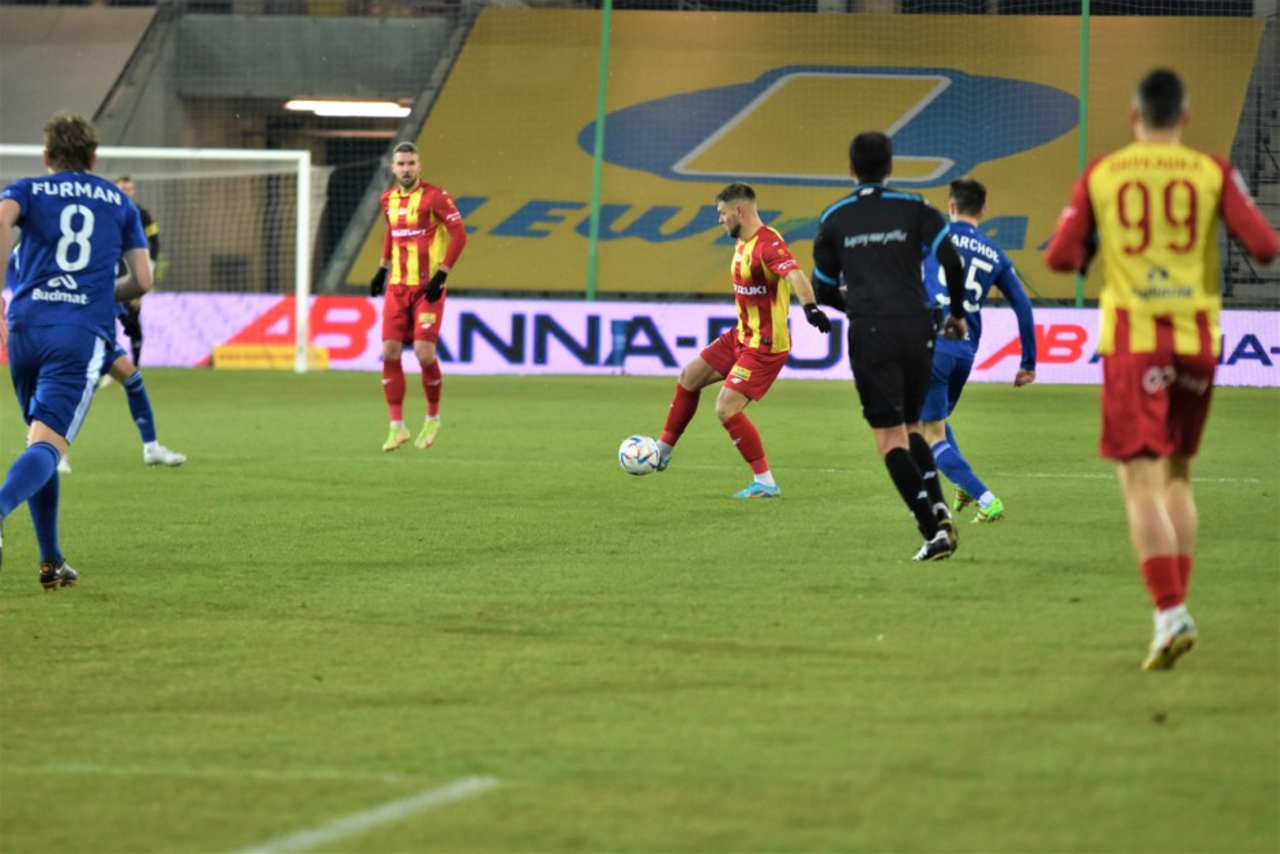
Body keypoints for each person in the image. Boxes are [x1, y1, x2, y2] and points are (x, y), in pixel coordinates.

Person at [1046, 69, 1278, 670]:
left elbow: (1061, 256)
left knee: (1139, 482)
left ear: (1134, 115)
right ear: (1185, 117)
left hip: (1136, 343)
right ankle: (1172, 615)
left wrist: (1098, 241)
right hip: (1197, 341)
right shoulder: (1210, 170)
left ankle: (1170, 612)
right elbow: (1265, 247)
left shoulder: (1104, 172)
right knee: (1178, 475)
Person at [0, 112, 154, 588]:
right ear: (94, 158)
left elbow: (3, 218)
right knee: (49, 445)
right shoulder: (119, 202)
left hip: (26, 328)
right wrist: (99, 293)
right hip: (79, 333)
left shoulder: (28, 189)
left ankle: (51, 561)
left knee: (40, 441)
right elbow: (142, 280)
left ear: (47, 156)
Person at [812, 131, 968, 562]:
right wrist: (957, 313)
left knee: (888, 437)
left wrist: (859, 306)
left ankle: (932, 531)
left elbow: (823, 290)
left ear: (850, 169)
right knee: (913, 426)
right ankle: (940, 509)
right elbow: (951, 261)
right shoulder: (916, 207)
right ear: (891, 167)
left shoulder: (835, 217)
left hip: (872, 332)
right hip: (919, 327)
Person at [654, 182, 832, 498]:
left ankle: (765, 482)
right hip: (741, 336)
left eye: (723, 213)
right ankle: (661, 452)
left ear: (739, 211)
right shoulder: (742, 242)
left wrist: (810, 308)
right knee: (689, 377)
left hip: (765, 345)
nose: (720, 220)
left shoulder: (768, 244)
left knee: (726, 407)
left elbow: (795, 274)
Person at [9, 249, 188, 474]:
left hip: (97, 331)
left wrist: (121, 312)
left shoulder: (97, 242)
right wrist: (22, 292)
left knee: (133, 379)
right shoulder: (47, 240)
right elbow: (12, 262)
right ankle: (50, 449)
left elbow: (103, 285)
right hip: (70, 331)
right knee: (62, 395)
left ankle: (151, 447)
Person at [921, 179, 1037, 523]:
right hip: (964, 351)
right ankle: (964, 485)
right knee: (937, 422)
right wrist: (1028, 362)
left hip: (932, 344)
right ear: (984, 210)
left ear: (950, 206)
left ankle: (986, 498)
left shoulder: (933, 237)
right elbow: (1023, 306)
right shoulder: (995, 253)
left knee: (927, 434)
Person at [369, 141, 468, 452]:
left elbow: (460, 234)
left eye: (411, 163)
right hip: (397, 287)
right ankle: (396, 426)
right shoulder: (387, 199)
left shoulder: (436, 196)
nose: (406, 169)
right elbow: (391, 231)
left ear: (419, 166)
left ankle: (433, 417)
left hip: (427, 288)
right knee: (390, 351)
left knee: (424, 353)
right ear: (393, 168)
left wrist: (442, 274)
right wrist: (382, 269)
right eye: (401, 164)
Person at [111, 175, 157, 367]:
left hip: (131, 274)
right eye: (122, 189)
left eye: (128, 189)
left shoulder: (142, 215)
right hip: (108, 273)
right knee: (105, 320)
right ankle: (109, 364)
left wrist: (147, 272)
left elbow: (155, 243)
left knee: (132, 320)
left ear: (133, 191)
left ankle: (135, 365)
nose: (125, 192)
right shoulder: (105, 211)